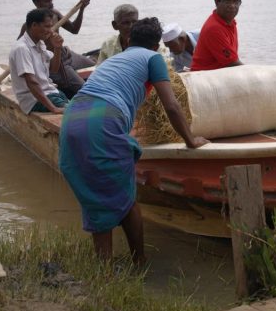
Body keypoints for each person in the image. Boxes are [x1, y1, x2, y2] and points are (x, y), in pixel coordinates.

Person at [59, 17, 208, 263]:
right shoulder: (153, 58)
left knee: (97, 198)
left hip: (73, 118)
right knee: (125, 197)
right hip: (102, 122)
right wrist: (191, 140)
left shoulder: (113, 60)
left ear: (128, 40)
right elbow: (170, 105)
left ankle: (103, 271)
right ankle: (138, 261)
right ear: (157, 45)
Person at [20, 0, 94, 98]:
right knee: (85, 88)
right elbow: (20, 47)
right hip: (57, 63)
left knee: (95, 66)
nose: (51, 4)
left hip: (66, 53)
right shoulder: (30, 25)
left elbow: (74, 30)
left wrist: (81, 9)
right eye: (46, 1)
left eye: (51, 0)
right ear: (37, 3)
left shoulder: (54, 14)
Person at [10, 8, 69, 114]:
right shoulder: (22, 48)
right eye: (47, 26)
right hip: (34, 100)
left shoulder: (40, 43)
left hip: (52, 92)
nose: (51, 31)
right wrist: (53, 109)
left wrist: (57, 48)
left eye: (51, 26)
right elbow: (31, 82)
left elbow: (54, 69)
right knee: (76, 111)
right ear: (34, 25)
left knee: (79, 106)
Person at [190, 0, 243, 71]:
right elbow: (233, 63)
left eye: (236, 1)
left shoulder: (231, 22)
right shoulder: (214, 28)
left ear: (240, 3)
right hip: (203, 79)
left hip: (216, 76)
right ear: (217, 2)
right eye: (227, 1)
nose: (232, 6)